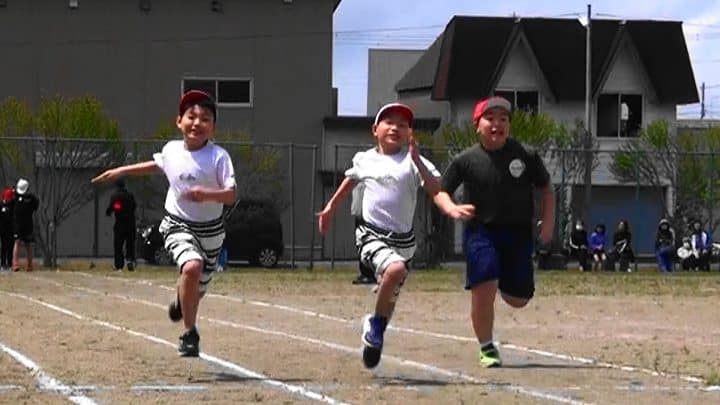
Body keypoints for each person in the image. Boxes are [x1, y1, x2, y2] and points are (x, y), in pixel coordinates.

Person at [317, 102, 462, 369]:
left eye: (403, 125)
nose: (395, 128)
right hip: (370, 234)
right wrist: (329, 208)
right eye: (389, 122)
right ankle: (376, 324)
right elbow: (349, 181)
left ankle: (375, 335)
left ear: (410, 133)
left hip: (404, 241)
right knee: (395, 271)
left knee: (391, 292)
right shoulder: (365, 159)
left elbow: (436, 188)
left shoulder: (413, 161)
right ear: (375, 129)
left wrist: (420, 165)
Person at [91, 90, 236, 357]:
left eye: (205, 118)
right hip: (177, 223)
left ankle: (182, 300)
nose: (197, 123)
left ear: (213, 127)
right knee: (192, 267)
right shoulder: (171, 150)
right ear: (179, 121)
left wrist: (207, 195)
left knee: (196, 290)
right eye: (191, 116)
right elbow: (156, 165)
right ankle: (190, 334)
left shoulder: (219, 157)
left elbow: (230, 195)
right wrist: (122, 171)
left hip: (211, 232)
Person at [433, 96, 555, 368]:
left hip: (518, 234)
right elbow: (441, 192)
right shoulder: (466, 160)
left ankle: (498, 278)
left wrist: (547, 225)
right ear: (477, 125)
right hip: (482, 232)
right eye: (490, 119)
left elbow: (547, 189)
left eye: (503, 119)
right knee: (484, 283)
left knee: (519, 299)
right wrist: (451, 208)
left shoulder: (526, 155)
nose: (497, 124)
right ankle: (487, 347)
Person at [106, 179, 137, 271]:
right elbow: (134, 206)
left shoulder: (115, 196)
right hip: (131, 222)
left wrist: (109, 212)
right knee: (130, 244)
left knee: (118, 245)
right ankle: (130, 260)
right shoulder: (130, 195)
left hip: (120, 223)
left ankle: (119, 264)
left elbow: (114, 207)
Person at [350, 183, 376, 284]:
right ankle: (365, 272)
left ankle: (369, 273)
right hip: (360, 210)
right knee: (361, 242)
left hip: (367, 212)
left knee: (368, 241)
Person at [12, 178, 39, 272]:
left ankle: (28, 265)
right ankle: (16, 264)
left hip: (23, 224)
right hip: (22, 224)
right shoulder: (27, 198)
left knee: (24, 244)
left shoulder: (30, 198)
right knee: (19, 243)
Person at [0, 186, 15, 271]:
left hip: (11, 230)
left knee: (10, 248)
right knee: (4, 247)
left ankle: (9, 263)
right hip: (3, 230)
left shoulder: (13, 205)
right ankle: (3, 263)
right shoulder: (2, 205)